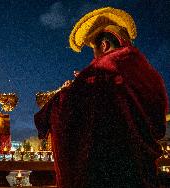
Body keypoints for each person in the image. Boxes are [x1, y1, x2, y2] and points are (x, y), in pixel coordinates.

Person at [34, 7, 168, 188]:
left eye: (94, 52)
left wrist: (65, 94)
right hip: (144, 173)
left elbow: (68, 110)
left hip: (109, 174)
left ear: (104, 45)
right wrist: (88, 84)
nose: (94, 58)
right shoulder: (148, 73)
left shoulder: (102, 69)